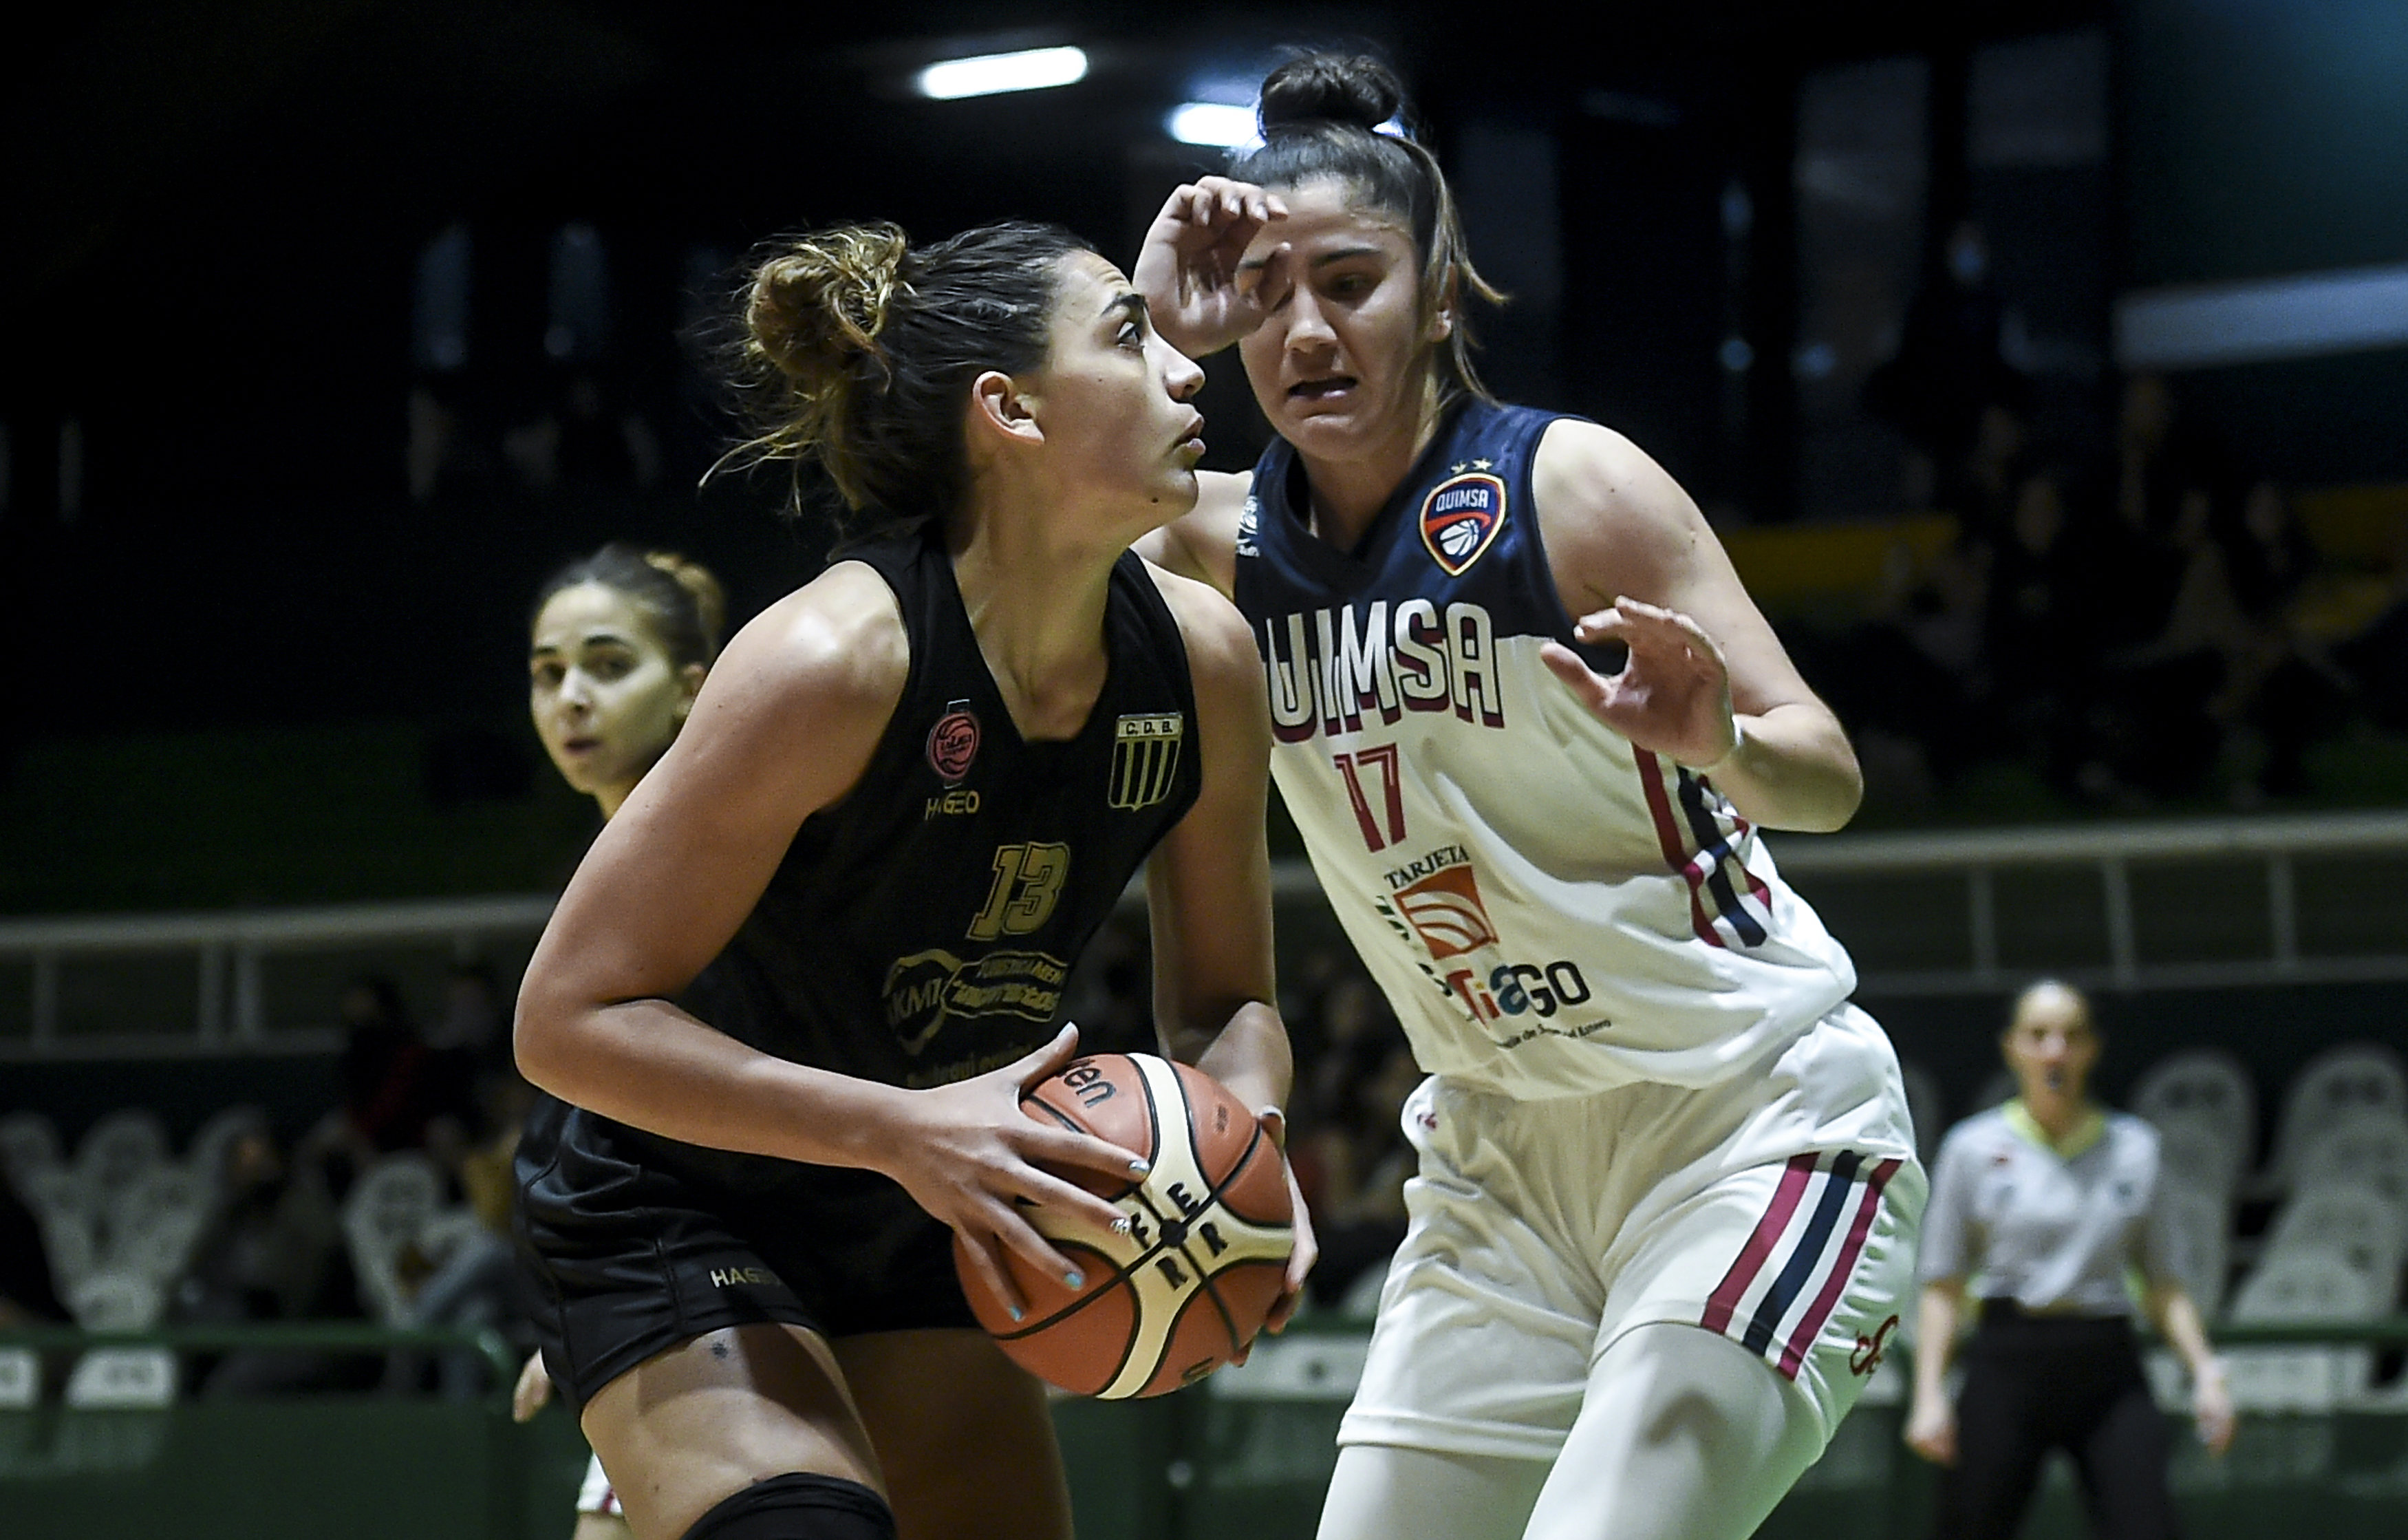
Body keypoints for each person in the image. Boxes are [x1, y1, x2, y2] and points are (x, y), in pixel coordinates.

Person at [1131, 52, 1924, 1540]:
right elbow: (1007, 539)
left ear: (1438, 295)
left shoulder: (1574, 489)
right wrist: (1147, 329)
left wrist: (1719, 747)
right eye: (1264, 292)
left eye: (1353, 283)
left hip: (1744, 1125)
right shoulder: (1207, 546)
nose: (1306, 327)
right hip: (1493, 1156)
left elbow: (1824, 776)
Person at [511, 219, 1309, 1540]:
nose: (1191, 373)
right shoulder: (833, 658)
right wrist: (897, 1126)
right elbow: (565, 1021)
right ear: (1009, 409)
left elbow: (1229, 1004)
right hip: (686, 1192)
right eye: (1129, 335)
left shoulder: (1206, 664)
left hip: (940, 1200)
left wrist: (1242, 1160)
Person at [513, 538, 731, 1535]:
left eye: (607, 665)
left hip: (741, 1289)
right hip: (658, 1293)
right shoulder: (605, 863)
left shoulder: (719, 857)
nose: (571, 700)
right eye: (549, 674)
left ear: (690, 689)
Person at [1906, 980, 2235, 1540]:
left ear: (2092, 1048)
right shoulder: (1973, 1149)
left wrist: (2206, 1374)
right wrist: (1929, 1394)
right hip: (2007, 1357)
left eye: (2070, 1036)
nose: (2054, 1051)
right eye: (2037, 1036)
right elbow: (1944, 1284)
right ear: (2012, 1047)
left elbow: (2163, 1285)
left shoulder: (2136, 1149)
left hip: (2105, 1359)